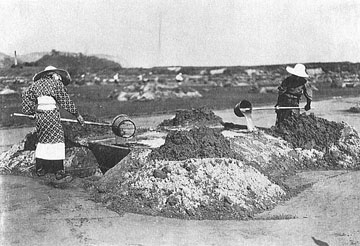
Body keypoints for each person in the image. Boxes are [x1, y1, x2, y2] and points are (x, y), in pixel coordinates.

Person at [21, 66, 85, 182]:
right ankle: (59, 171)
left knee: (43, 139)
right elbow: (66, 101)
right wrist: (77, 115)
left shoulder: (35, 85)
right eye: (58, 76)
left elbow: (26, 95)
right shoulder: (55, 84)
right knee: (57, 139)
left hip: (40, 116)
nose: (60, 79)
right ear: (52, 75)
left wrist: (30, 112)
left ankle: (40, 169)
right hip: (51, 115)